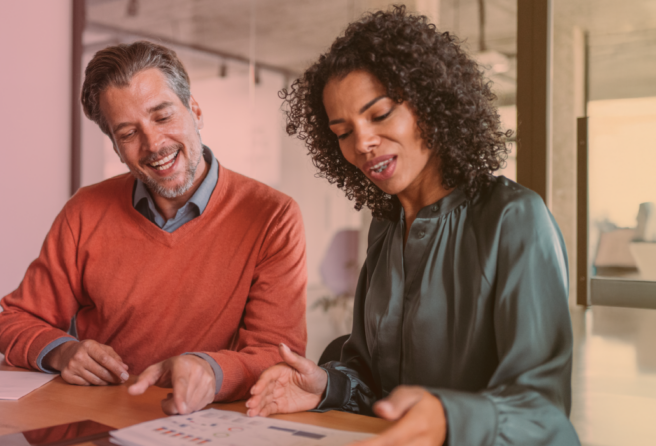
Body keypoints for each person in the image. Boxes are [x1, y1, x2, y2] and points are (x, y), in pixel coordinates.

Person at [245, 6, 579, 446]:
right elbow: (371, 376)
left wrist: (449, 418)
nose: (362, 143)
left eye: (379, 114)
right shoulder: (384, 227)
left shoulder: (513, 218)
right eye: (343, 131)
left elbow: (543, 410)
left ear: (430, 102)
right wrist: (327, 386)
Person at [0, 41, 307, 416]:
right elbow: (15, 320)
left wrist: (210, 369)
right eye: (128, 133)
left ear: (195, 110)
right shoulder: (84, 210)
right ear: (115, 145)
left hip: (206, 425)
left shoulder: (273, 215)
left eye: (163, 117)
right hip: (95, 420)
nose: (154, 144)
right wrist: (62, 352)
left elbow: (277, 354)